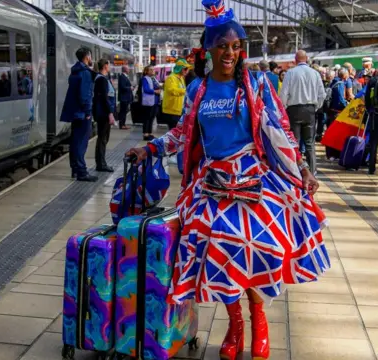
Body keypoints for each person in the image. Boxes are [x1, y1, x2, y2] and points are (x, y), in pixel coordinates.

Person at [125, 2, 329, 359]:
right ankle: (235, 327)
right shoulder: (197, 91)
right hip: (212, 184)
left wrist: (303, 168)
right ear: (209, 49)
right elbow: (181, 135)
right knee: (219, 255)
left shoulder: (257, 85)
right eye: (223, 46)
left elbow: (281, 130)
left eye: (236, 47)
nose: (231, 54)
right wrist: (150, 149)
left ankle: (258, 322)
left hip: (253, 180)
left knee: (249, 252)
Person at [280, 49, 327, 174]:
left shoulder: (290, 73)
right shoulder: (315, 73)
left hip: (294, 110)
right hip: (310, 110)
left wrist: (284, 109)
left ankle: (296, 171)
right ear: (306, 59)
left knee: (294, 142)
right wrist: (315, 107)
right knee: (310, 143)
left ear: (295, 60)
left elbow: (283, 94)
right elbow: (322, 94)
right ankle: (312, 170)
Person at [60, 47, 97, 182]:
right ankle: (82, 171)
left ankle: (75, 169)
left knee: (75, 141)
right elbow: (85, 94)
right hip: (82, 114)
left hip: (75, 113)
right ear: (87, 56)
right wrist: (88, 111)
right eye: (90, 56)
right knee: (81, 142)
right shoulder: (85, 73)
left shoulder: (75, 71)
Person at [93, 59, 116, 173]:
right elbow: (104, 98)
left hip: (104, 113)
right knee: (102, 139)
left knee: (104, 138)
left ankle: (101, 162)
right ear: (105, 66)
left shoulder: (103, 79)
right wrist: (110, 113)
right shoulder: (101, 80)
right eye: (109, 64)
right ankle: (101, 164)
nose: (110, 66)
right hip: (103, 114)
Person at [162, 59, 192, 130]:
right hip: (172, 110)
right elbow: (172, 90)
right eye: (185, 69)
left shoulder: (181, 78)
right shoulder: (171, 78)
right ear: (180, 69)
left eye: (187, 69)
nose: (187, 71)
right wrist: (186, 91)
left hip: (178, 110)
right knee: (174, 131)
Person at [140, 66, 161, 140]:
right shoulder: (145, 79)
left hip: (155, 101)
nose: (153, 71)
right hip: (148, 102)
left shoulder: (154, 78)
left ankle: (150, 133)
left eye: (153, 70)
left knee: (152, 118)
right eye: (151, 70)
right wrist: (155, 91)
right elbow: (146, 89)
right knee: (147, 118)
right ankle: (146, 134)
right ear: (146, 71)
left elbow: (157, 86)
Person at [117, 65, 134, 130]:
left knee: (124, 111)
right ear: (125, 70)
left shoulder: (125, 76)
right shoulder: (122, 77)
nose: (129, 69)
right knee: (123, 111)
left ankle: (123, 124)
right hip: (124, 97)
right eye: (128, 68)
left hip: (126, 97)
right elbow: (123, 87)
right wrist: (130, 88)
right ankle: (122, 125)